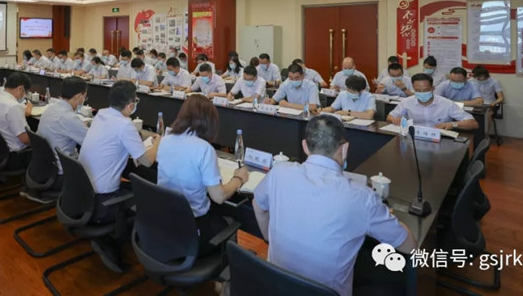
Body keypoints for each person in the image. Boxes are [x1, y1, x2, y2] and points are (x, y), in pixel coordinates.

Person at [253, 115, 417, 296]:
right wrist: (387, 216)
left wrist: (269, 239)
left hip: (275, 287)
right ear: (344, 149)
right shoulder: (362, 197)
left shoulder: (279, 172)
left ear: (305, 146)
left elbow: (258, 205)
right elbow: (409, 246)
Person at [78, 81, 160, 271]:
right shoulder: (125, 125)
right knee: (150, 196)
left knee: (134, 186)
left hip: (81, 193)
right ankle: (114, 242)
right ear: (130, 105)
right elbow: (147, 161)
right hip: (102, 202)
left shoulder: (101, 114)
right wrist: (158, 142)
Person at [157, 95, 250, 256]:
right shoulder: (204, 149)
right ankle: (226, 270)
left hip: (164, 222)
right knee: (230, 221)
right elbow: (219, 197)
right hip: (192, 230)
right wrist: (238, 178)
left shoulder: (165, 140)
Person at [36, 76, 89, 193]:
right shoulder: (69, 118)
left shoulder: (51, 108)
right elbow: (91, 142)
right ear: (79, 96)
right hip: (61, 174)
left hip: (43, 168)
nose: (84, 100)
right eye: (85, 97)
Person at [386, 73, 478, 130]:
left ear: (432, 88)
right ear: (413, 89)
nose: (422, 93)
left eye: (425, 90)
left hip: (440, 140)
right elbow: (389, 117)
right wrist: (394, 119)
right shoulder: (406, 102)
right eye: (418, 90)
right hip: (414, 138)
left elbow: (473, 123)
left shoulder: (446, 104)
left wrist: (453, 124)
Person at [0, 72, 34, 167]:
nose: (24, 95)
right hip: (15, 156)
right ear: (20, 89)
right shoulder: (13, 107)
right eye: (25, 92)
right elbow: (25, 140)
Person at [471, 65, 504, 134]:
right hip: (476, 103)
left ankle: (485, 134)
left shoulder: (494, 81)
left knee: (487, 115)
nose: (479, 79)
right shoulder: (472, 81)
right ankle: (474, 133)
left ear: (486, 75)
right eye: (477, 77)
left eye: (480, 77)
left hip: (490, 104)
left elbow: (501, 97)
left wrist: (494, 103)